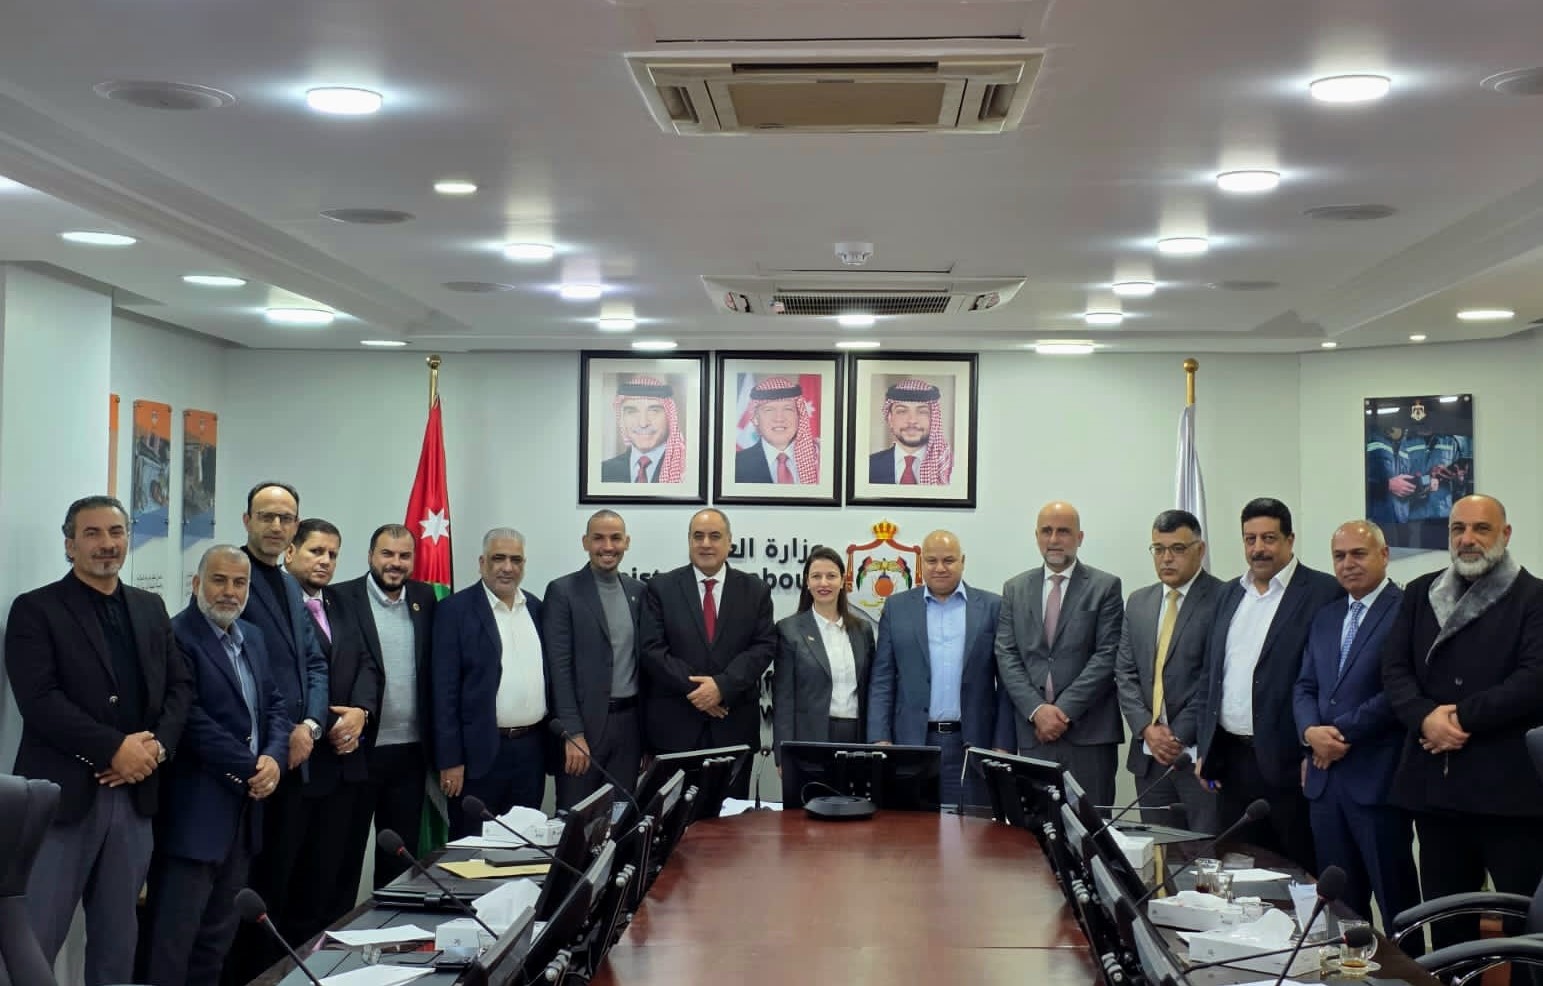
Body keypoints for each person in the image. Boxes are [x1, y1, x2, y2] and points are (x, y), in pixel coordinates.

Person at [5, 495, 193, 986]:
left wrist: (155, 749)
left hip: (135, 798)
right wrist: (114, 749)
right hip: (62, 799)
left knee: (118, 942)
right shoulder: (35, 610)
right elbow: (40, 701)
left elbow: (180, 687)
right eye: (92, 533)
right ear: (70, 545)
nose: (107, 544)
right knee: (32, 943)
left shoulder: (150, 607)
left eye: (116, 532)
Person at [1381, 494, 1543, 953]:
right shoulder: (1420, 593)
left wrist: (1458, 718)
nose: (1467, 539)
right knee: (1447, 925)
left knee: (1525, 931)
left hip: (1511, 796)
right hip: (1437, 792)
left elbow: (1534, 679)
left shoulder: (1534, 597)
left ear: (1505, 534)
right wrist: (1424, 718)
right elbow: (1394, 670)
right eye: (1458, 529)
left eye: (1481, 529)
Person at [143, 545, 290, 986]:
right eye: (219, 580)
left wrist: (275, 758)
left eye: (239, 583)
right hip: (194, 816)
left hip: (242, 817)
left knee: (216, 943)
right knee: (172, 944)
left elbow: (275, 706)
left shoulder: (253, 636)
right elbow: (189, 720)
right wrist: (252, 766)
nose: (229, 591)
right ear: (196, 584)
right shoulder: (177, 636)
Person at [1196, 498, 1342, 870]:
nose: (1258, 548)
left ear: (1290, 540)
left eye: (1269, 538)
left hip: (1290, 763)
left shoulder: (1323, 592)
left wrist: (1310, 751)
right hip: (1232, 761)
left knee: (1298, 872)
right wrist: (1206, 747)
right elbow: (1212, 675)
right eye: (1250, 539)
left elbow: (1330, 680)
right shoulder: (1229, 593)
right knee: (1238, 869)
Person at [1292, 520, 1420, 938]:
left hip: (1377, 781)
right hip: (1325, 784)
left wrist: (1338, 734)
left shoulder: (1406, 610)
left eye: (1358, 554)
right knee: (1341, 906)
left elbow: (1400, 691)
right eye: (1339, 556)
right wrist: (1310, 732)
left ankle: (1410, 970)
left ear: (1384, 555)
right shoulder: (1327, 616)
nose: (1348, 564)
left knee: (1397, 902)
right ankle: (1349, 971)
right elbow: (1304, 685)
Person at [225, 481, 329, 982]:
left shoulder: (290, 586)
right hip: (251, 763)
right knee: (243, 892)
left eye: (285, 518)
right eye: (266, 516)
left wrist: (310, 724)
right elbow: (232, 673)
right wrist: (283, 730)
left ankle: (272, 975)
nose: (275, 525)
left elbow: (315, 663)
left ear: (295, 527)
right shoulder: (231, 577)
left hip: (295, 759)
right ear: (247, 521)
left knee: (281, 886)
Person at [282, 518, 380, 940]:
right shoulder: (275, 602)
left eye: (333, 554)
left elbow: (368, 662)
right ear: (290, 552)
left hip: (346, 763)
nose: (325, 561)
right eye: (316, 551)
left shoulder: (343, 602)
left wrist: (360, 712)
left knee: (336, 880)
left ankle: (331, 960)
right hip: (299, 766)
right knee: (293, 886)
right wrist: (323, 721)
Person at [995, 502, 1125, 809]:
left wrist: (1063, 711)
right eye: (1047, 531)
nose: (1054, 539)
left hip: (1089, 735)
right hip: (1033, 734)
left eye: (1063, 531)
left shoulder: (1105, 587)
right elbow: (1007, 654)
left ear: (1079, 537)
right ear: (1036, 536)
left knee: (1092, 826)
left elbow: (1107, 655)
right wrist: (1037, 710)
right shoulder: (1014, 588)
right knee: (1038, 827)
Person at [639, 508, 775, 799]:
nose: (706, 544)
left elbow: (763, 647)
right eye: (698, 536)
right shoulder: (661, 587)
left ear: (729, 542)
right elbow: (652, 649)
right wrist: (700, 691)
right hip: (674, 731)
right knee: (673, 819)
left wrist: (722, 687)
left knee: (729, 821)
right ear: (689, 541)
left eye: (715, 536)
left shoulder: (756, 590)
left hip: (733, 729)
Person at [866, 530, 1009, 807]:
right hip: (910, 745)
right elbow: (883, 678)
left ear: (963, 561)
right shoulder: (897, 608)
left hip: (972, 747)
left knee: (970, 829)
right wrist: (880, 738)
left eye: (949, 560)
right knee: (910, 830)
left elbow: (1005, 684)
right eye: (931, 560)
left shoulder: (992, 607)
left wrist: (1002, 744)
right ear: (921, 563)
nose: (940, 568)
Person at [331, 523, 439, 886]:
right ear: (370, 556)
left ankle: (393, 921)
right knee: (343, 855)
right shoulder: (340, 598)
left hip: (410, 753)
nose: (395, 563)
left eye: (404, 555)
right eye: (387, 554)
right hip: (359, 751)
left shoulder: (425, 598)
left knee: (400, 859)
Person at [433, 528, 547, 837]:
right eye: (499, 558)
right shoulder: (454, 611)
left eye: (516, 560)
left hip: (530, 752)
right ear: (482, 562)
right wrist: (451, 760)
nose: (507, 567)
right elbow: (443, 693)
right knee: (474, 848)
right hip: (477, 756)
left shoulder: (536, 608)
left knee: (524, 846)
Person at [1113, 509, 1222, 832]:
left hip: (1197, 756)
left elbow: (1215, 678)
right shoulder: (1138, 601)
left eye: (1177, 549)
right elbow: (1125, 673)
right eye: (1158, 549)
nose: (1166, 558)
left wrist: (1176, 736)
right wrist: (1147, 729)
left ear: (1200, 550)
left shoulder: (1223, 598)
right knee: (1158, 851)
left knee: (1204, 850)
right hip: (1148, 758)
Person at [543, 510, 646, 807]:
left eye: (615, 538)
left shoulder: (639, 591)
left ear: (627, 542)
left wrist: (647, 740)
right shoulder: (563, 591)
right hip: (584, 730)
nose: (608, 546)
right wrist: (572, 733)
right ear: (585, 542)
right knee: (577, 820)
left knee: (621, 817)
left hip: (630, 729)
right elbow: (559, 669)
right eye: (598, 538)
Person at [773, 546, 876, 758]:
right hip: (809, 737)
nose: (824, 583)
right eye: (816, 576)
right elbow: (784, 699)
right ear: (807, 582)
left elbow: (872, 690)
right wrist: (783, 753)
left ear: (843, 581)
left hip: (857, 736)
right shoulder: (789, 630)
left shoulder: (863, 630)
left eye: (831, 576)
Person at [600, 375, 686, 483]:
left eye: (654, 411)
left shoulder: (686, 472)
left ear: (669, 417)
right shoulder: (603, 471)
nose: (643, 423)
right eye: (632, 412)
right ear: (622, 418)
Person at [734, 376, 819, 484]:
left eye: (788, 409)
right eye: (769, 410)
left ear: (799, 416)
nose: (779, 418)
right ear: (755, 418)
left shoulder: (820, 460)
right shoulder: (735, 465)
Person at [867, 378, 953, 485]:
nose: (912, 420)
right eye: (902, 411)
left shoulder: (949, 468)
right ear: (890, 419)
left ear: (933, 419)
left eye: (922, 412)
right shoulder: (868, 466)